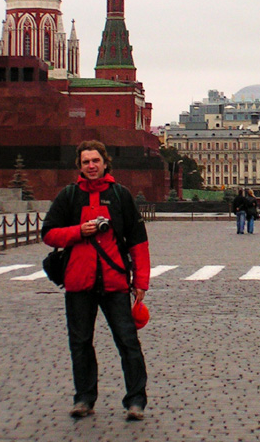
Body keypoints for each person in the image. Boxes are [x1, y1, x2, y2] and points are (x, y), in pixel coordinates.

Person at [41, 140, 149, 421]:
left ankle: (135, 400)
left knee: (128, 342)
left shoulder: (120, 195)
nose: (91, 166)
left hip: (114, 283)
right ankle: (84, 399)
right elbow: (49, 234)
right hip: (79, 282)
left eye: (95, 161)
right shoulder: (69, 196)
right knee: (80, 344)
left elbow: (138, 242)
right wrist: (78, 231)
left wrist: (141, 282)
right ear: (80, 165)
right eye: (86, 161)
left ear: (105, 163)